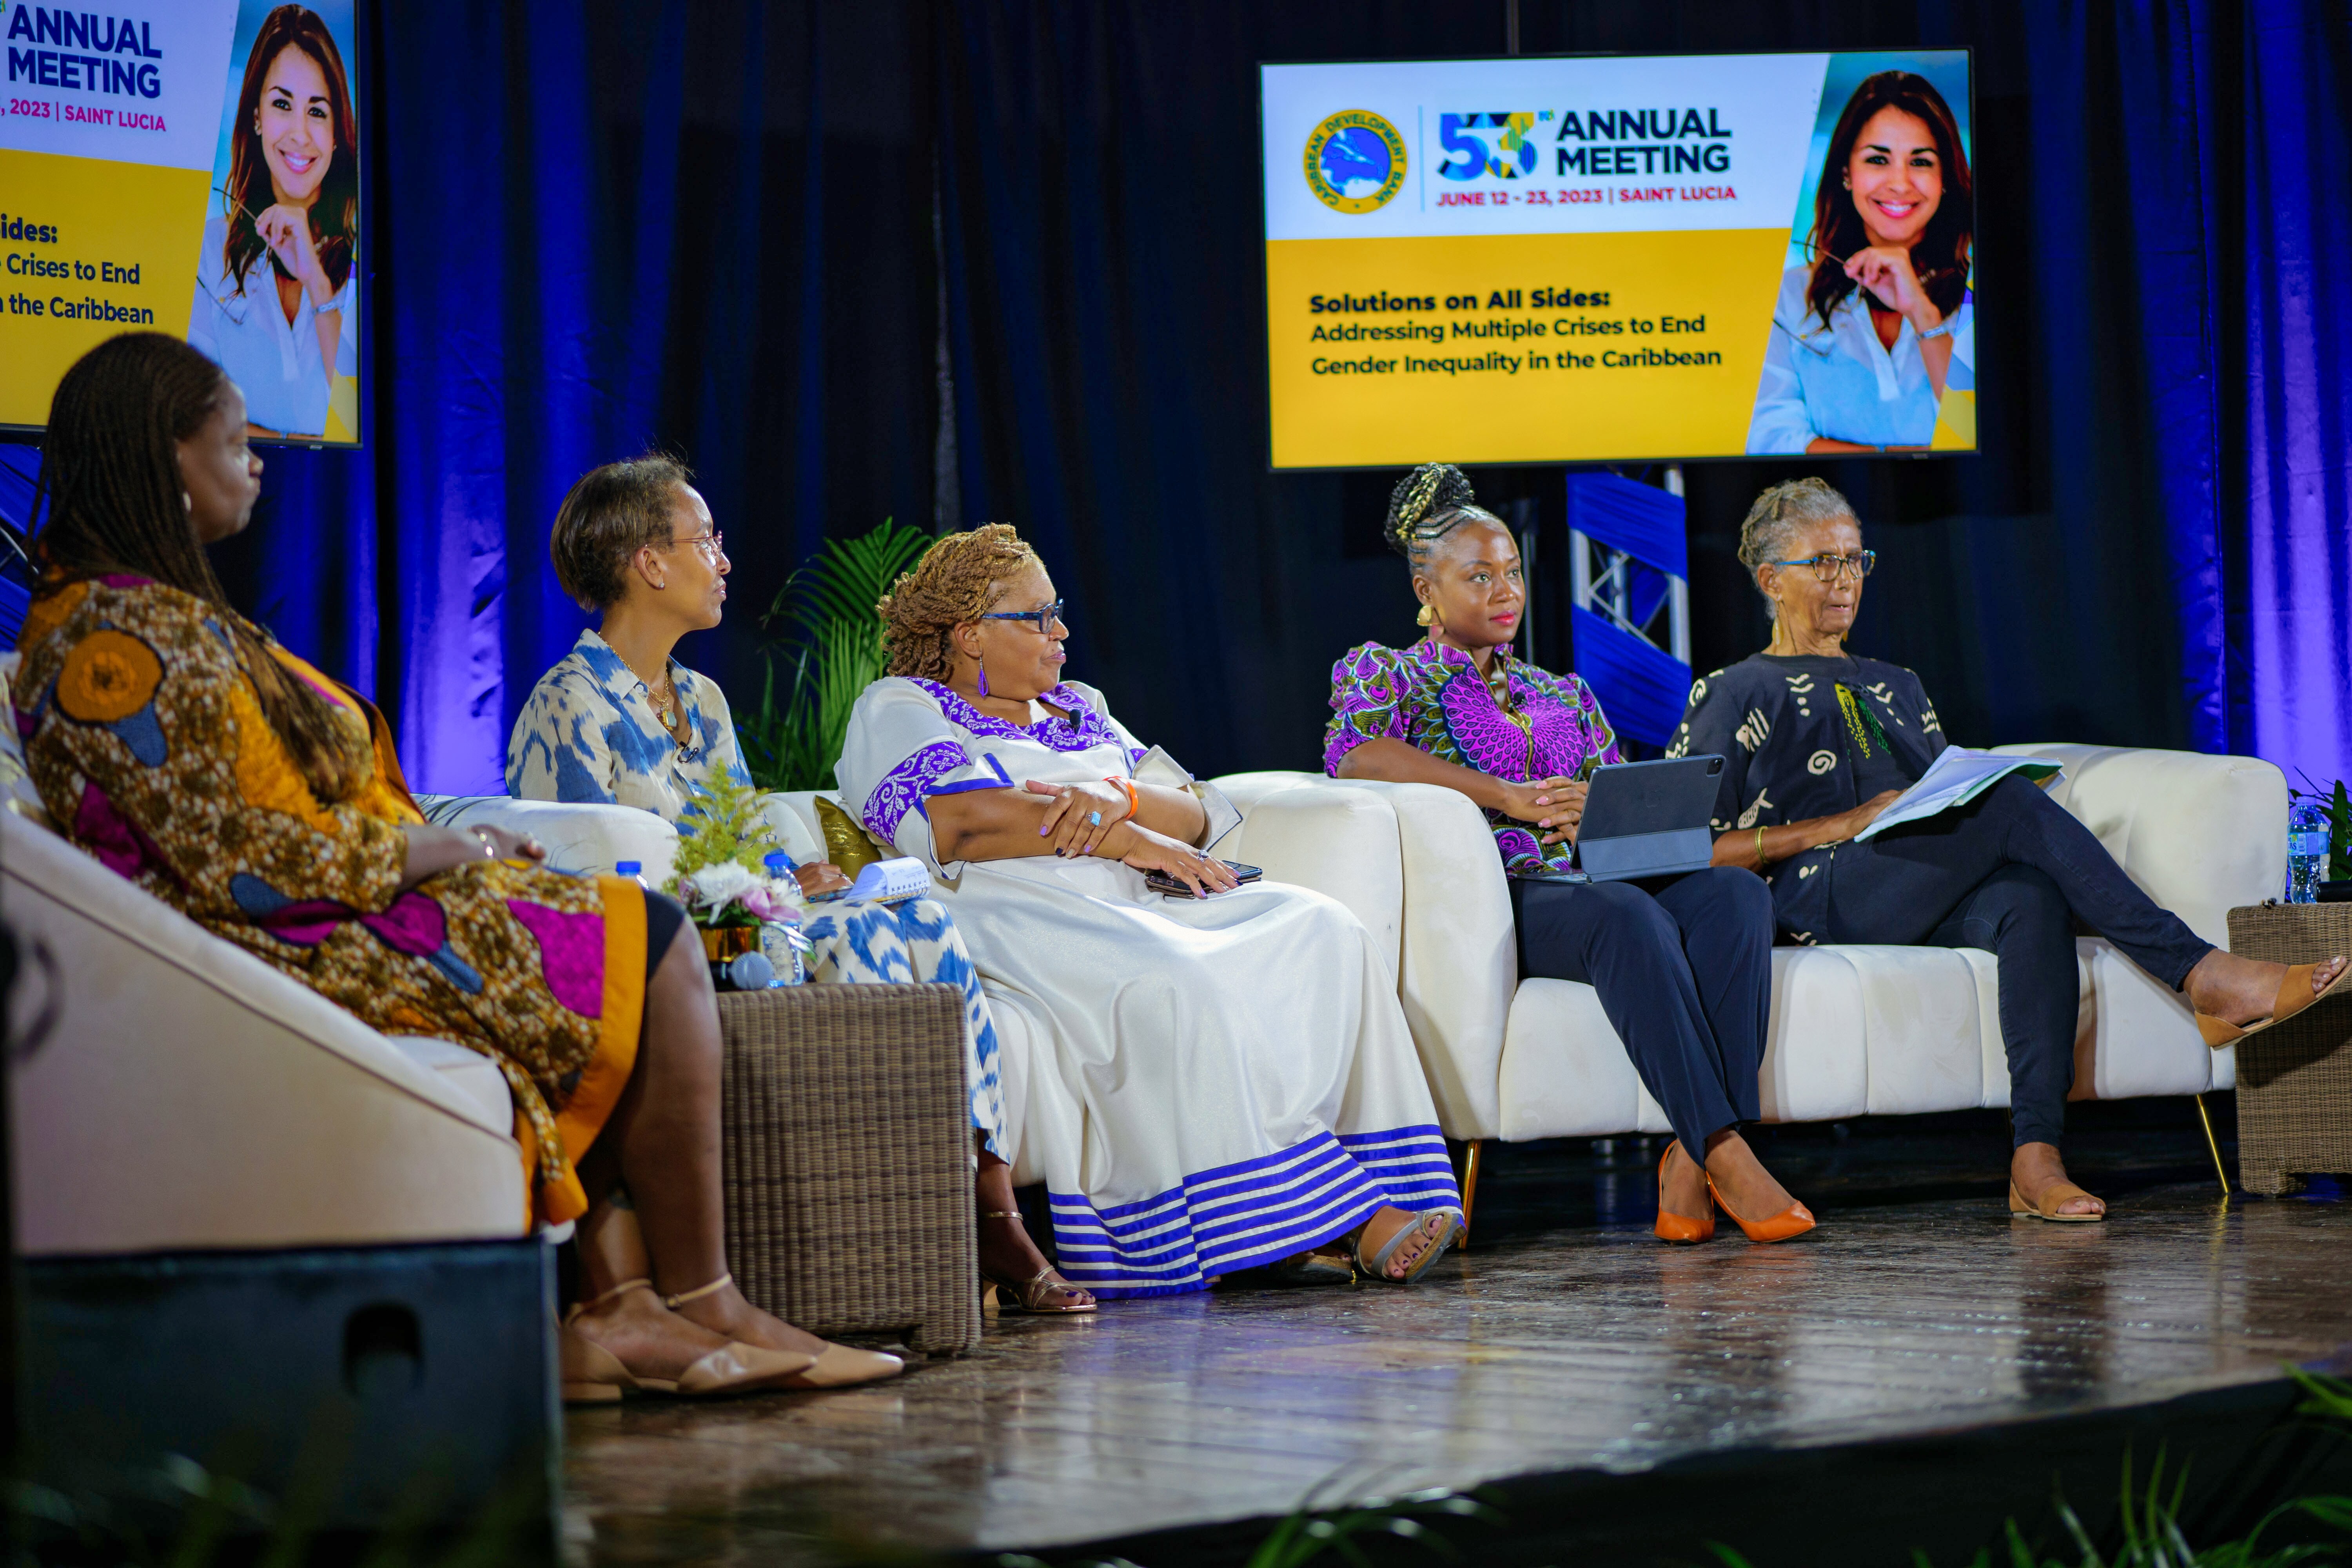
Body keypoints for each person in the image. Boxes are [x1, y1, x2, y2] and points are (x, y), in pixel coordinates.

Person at [16, 333, 900, 1399]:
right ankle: (700, 1297)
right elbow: (224, 854)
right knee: (644, 939)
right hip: (264, 938)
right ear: (165, 461)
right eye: (236, 443)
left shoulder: (157, 612)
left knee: (613, 932)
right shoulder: (110, 638)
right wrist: (425, 848)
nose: (258, 464)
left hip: (321, 902)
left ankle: (620, 1314)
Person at [1670, 477, 2351, 1220]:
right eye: (1823, 563)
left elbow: (1936, 806)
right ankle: (2201, 974)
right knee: (2009, 804)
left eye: (1856, 560)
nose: (1845, 580)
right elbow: (1679, 846)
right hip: (1819, 888)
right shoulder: (1733, 690)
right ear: (1771, 580)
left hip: (1911, 880)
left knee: (2031, 897)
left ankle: (2036, 1156)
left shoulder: (1898, 684)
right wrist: (1827, 829)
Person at [504, 460, 1084, 1314]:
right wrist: (750, 890)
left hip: (751, 921)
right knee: (870, 938)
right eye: (706, 540)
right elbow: (581, 873)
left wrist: (792, 875)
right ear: (649, 563)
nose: (726, 560)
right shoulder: (569, 702)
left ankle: (989, 1208)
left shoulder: (703, 699)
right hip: (661, 948)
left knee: (918, 917)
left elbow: (738, 838)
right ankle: (873, 1226)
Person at [837, 524, 1466, 1296]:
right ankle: (1336, 1218)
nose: (1060, 630)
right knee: (1178, 979)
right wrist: (1123, 834)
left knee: (1326, 929)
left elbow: (1196, 810)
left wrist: (1118, 796)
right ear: (969, 636)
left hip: (1143, 895)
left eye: (1057, 610)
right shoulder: (899, 705)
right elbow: (958, 821)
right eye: (1036, 616)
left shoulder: (1081, 706)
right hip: (1023, 909)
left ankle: (1335, 1197)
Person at [1326, 464, 1811, 1245]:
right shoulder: (1386, 671)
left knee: (1737, 897)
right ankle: (1724, 1148)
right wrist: (1504, 795)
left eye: (1513, 572)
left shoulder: (1566, 694)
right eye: (1477, 576)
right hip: (1496, 895)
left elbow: (1613, 807)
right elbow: (1359, 757)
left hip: (1586, 875)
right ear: (1427, 586)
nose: (1503, 590)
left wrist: (1598, 813)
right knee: (1619, 912)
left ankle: (1689, 1156)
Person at [1746, 70, 1974, 455]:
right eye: (1878, 159)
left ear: (1945, 179)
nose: (1900, 183)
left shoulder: (1980, 292)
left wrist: (1923, 313)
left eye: (1920, 162)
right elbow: (1769, 436)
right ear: (1847, 174)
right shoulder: (1789, 295)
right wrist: (1893, 466)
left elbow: (1974, 429)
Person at [188, 5, 359, 442]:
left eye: (317, 112)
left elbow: (357, 409)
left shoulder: (370, 258)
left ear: (338, 131)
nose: (300, 133)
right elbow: (195, 421)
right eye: (283, 104)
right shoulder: (209, 249)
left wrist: (317, 282)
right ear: (257, 116)